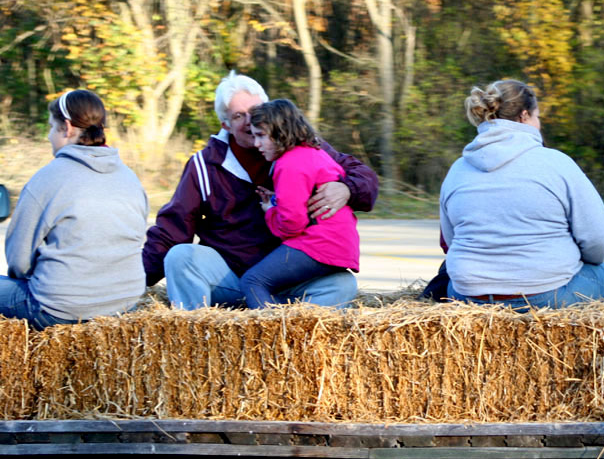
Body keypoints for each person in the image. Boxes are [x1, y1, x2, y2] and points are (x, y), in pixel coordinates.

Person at [143, 72, 377, 309]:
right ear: (225, 124)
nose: (249, 121)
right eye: (238, 115)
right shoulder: (204, 165)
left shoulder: (300, 147)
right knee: (180, 256)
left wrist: (348, 188)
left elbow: (365, 177)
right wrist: (136, 283)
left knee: (342, 284)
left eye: (255, 111)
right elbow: (172, 229)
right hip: (229, 279)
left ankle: (285, 337)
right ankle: (198, 337)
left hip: (287, 277)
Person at [439, 80, 604, 309]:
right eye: (538, 117)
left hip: (467, 295)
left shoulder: (458, 169)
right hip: (544, 293)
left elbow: (450, 238)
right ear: (525, 116)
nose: (539, 125)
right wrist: (584, 261)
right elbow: (596, 234)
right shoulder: (556, 162)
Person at [2, 89, 147, 329]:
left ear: (67, 128)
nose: (49, 136)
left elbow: (18, 261)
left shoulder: (48, 178)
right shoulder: (130, 178)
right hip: (125, 305)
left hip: (58, 309)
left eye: (51, 127)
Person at [240, 99, 359, 308]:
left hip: (318, 245)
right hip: (339, 245)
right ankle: (289, 322)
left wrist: (269, 212)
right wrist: (277, 203)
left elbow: (292, 223)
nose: (256, 144)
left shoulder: (289, 163)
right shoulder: (313, 153)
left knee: (253, 281)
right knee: (275, 286)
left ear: (280, 132)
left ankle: (273, 334)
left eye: (261, 135)